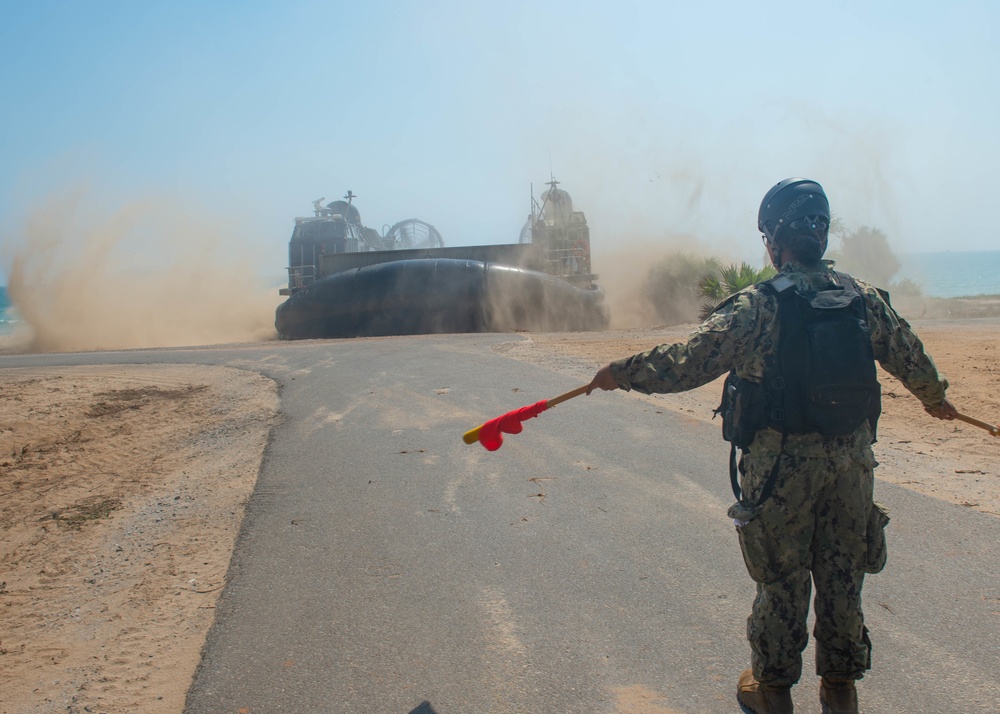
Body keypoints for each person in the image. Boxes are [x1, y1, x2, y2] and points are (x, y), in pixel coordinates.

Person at [586, 178, 957, 714]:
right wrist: (935, 397)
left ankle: (773, 691)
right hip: (852, 469)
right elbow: (911, 357)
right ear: (820, 236)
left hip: (782, 473)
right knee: (842, 577)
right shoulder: (864, 300)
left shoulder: (760, 307)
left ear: (773, 242)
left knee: (782, 583)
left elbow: (689, 361)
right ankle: (840, 691)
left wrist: (621, 372)